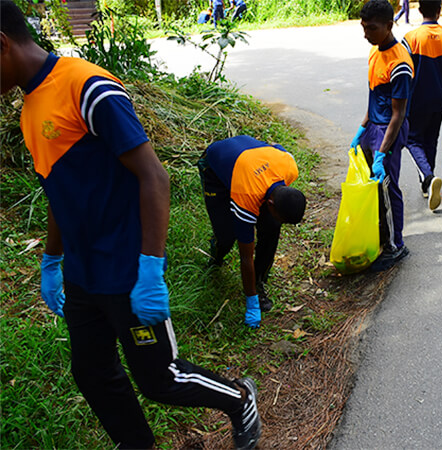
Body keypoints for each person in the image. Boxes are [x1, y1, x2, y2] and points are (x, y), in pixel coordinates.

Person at [0, 1, 261, 448]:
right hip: (82, 275)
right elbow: (57, 191)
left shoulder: (88, 88)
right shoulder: (28, 111)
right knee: (91, 372)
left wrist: (151, 270)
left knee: (160, 379)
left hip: (127, 268)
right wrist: (51, 259)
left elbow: (155, 177)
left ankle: (239, 399)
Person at [198, 136, 306, 325]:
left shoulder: (289, 167)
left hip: (247, 157)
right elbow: (245, 256)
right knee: (227, 235)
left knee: (272, 227)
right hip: (215, 168)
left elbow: (276, 147)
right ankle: (216, 254)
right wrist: (251, 301)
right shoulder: (246, 195)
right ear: (270, 203)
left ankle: (259, 282)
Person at [351, 0, 413, 271]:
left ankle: (396, 246)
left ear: (389, 26)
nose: (366, 34)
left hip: (389, 132)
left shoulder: (400, 63)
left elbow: (398, 115)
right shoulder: (375, 52)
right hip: (373, 129)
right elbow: (374, 96)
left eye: (372, 28)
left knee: (388, 189)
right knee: (374, 189)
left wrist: (381, 153)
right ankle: (382, 236)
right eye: (363, 27)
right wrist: (362, 129)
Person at [401, 0, 442, 211]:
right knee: (431, 140)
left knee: (411, 139)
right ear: (440, 9)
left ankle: (428, 177)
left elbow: (403, 72)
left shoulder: (411, 38)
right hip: (439, 99)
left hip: (416, 100)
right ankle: (428, 186)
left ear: (419, 10)